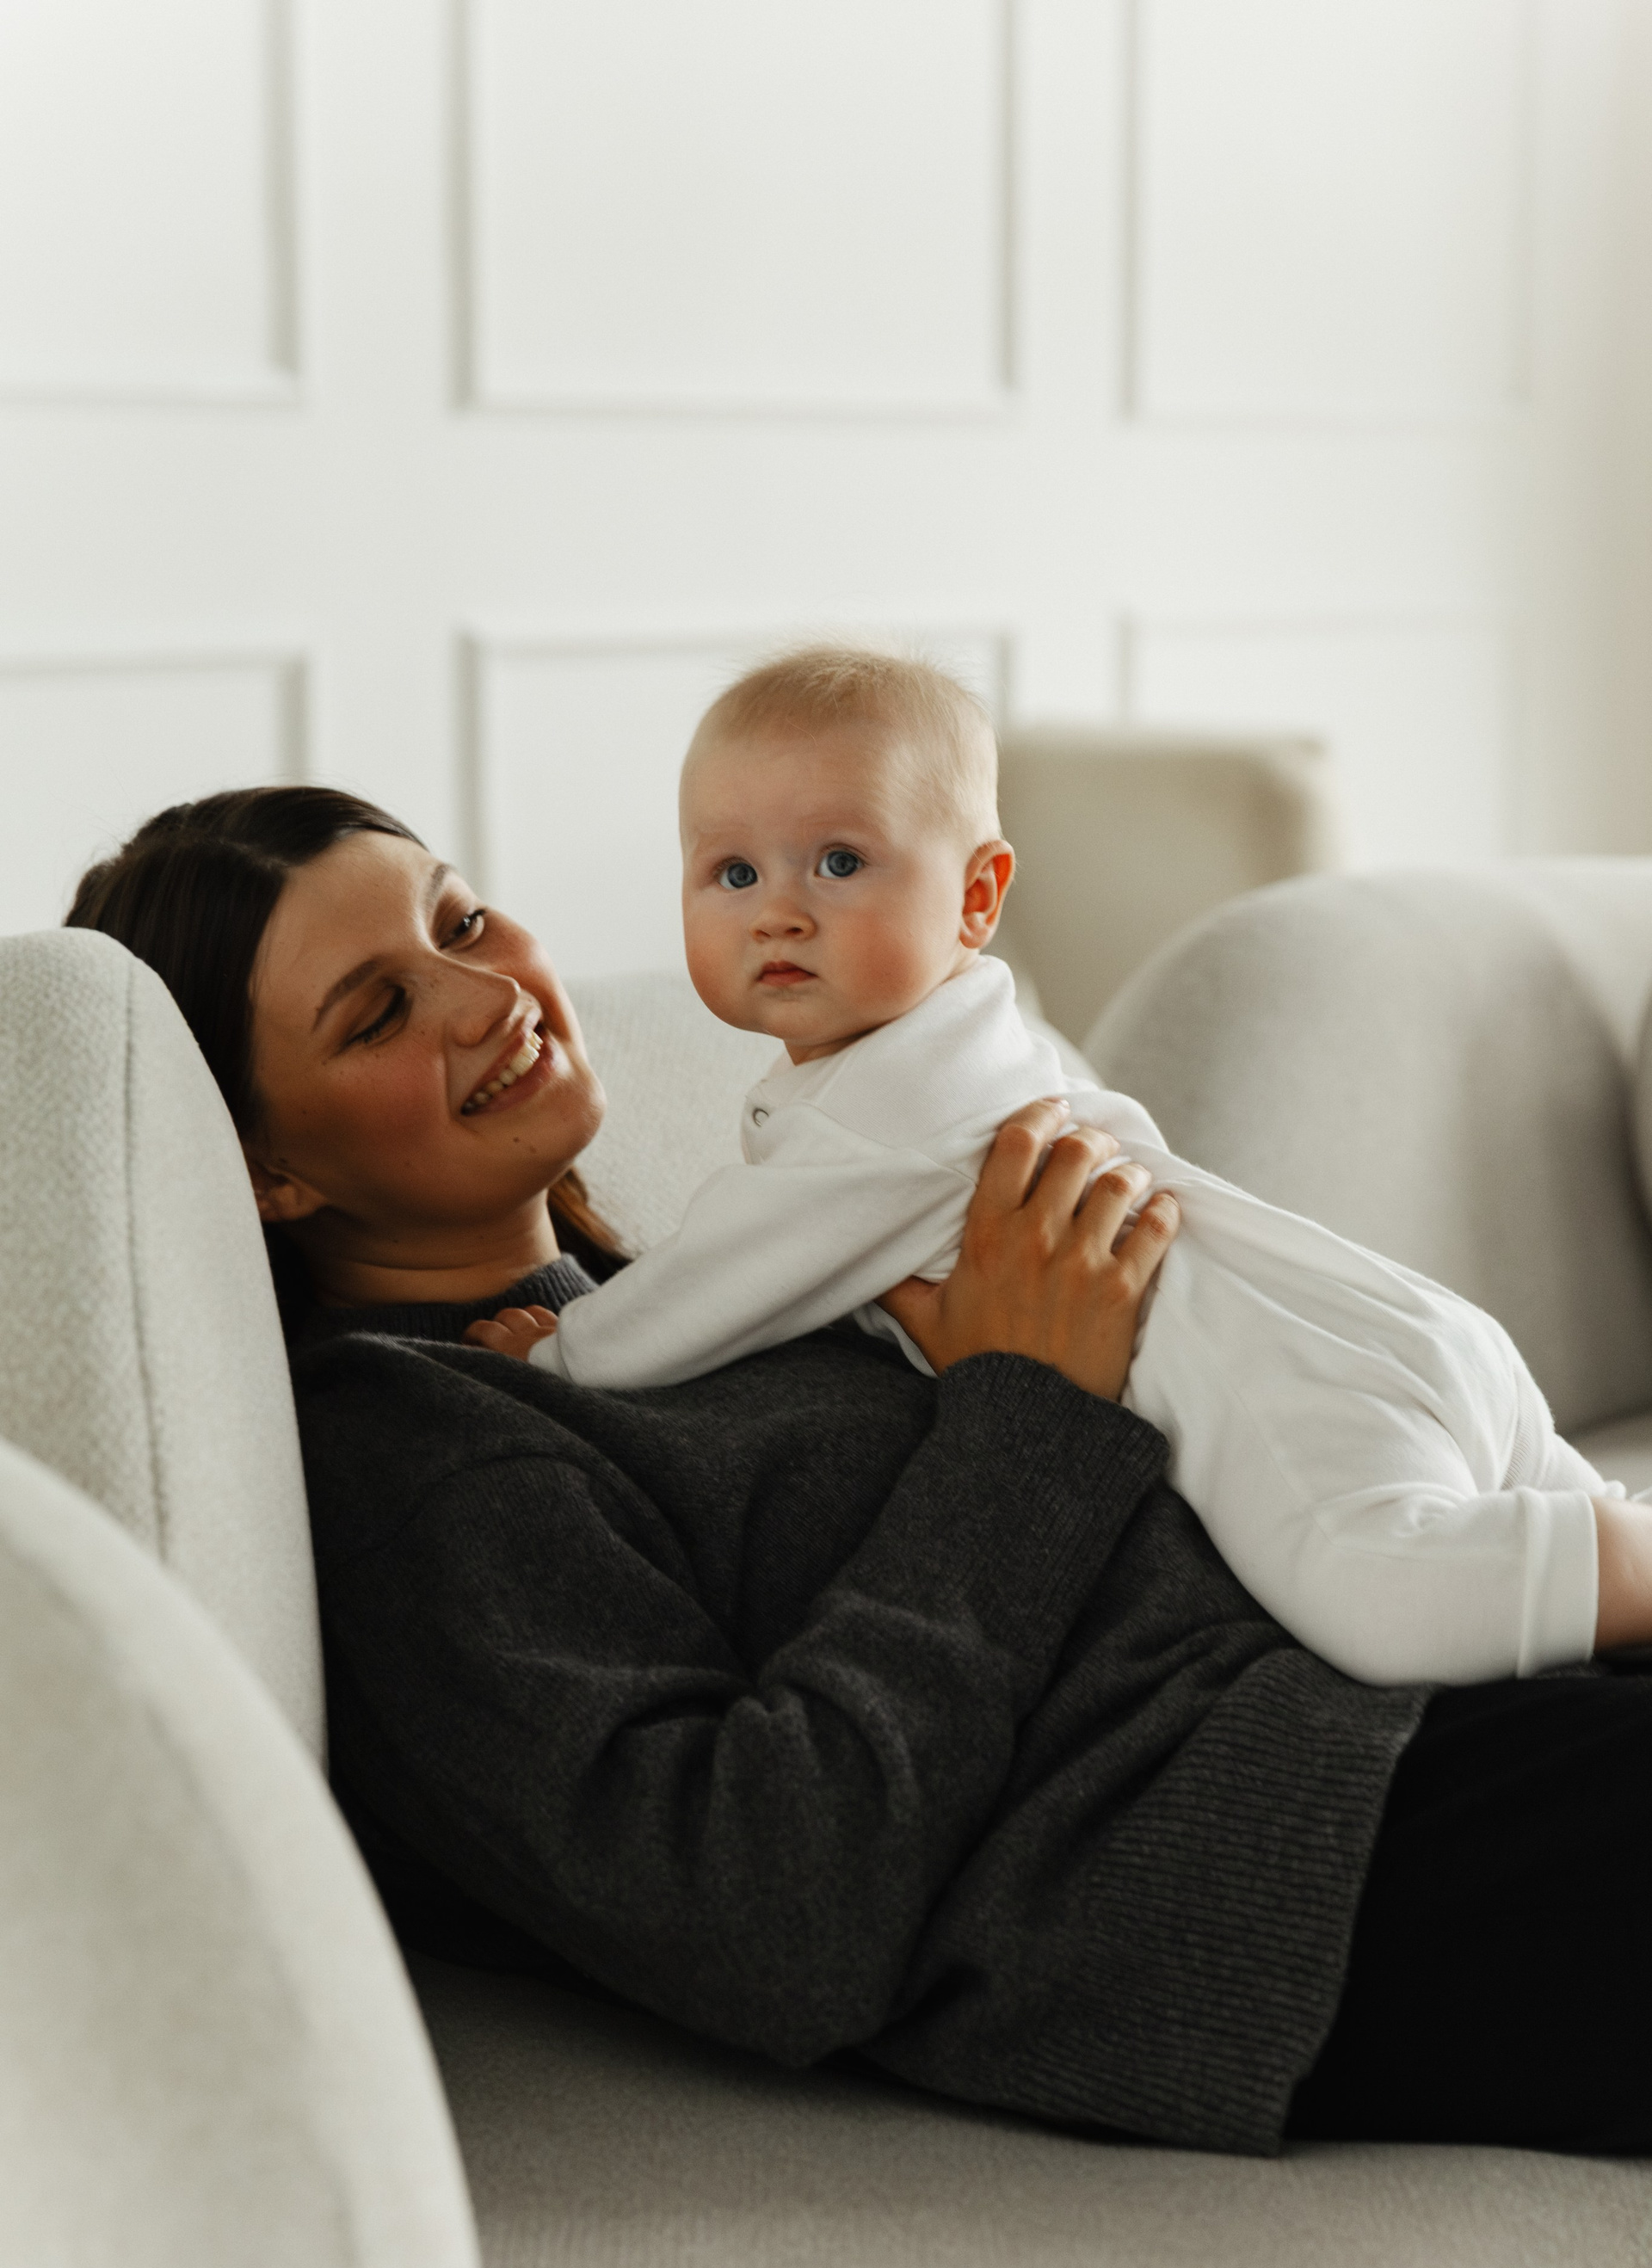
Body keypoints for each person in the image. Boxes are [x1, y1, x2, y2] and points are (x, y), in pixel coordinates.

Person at [65, 785, 1652, 2159]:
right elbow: (762, 1922)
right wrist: (1029, 1405)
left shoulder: (692, 1294)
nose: (485, 997)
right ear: (266, 1167)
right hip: (1270, 1853)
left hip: (1386, 1683)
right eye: (376, 1014)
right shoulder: (404, 1457)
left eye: (462, 921)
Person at [472, 646, 1648, 1689]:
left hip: (1286, 1386)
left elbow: (722, 1275)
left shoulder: (886, 1110)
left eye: (838, 861)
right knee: (1563, 1560)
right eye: (733, 874)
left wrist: (571, 1354)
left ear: (978, 896)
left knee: (1383, 1599)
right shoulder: (976, 1048)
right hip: (1391, 1328)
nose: (778, 912)